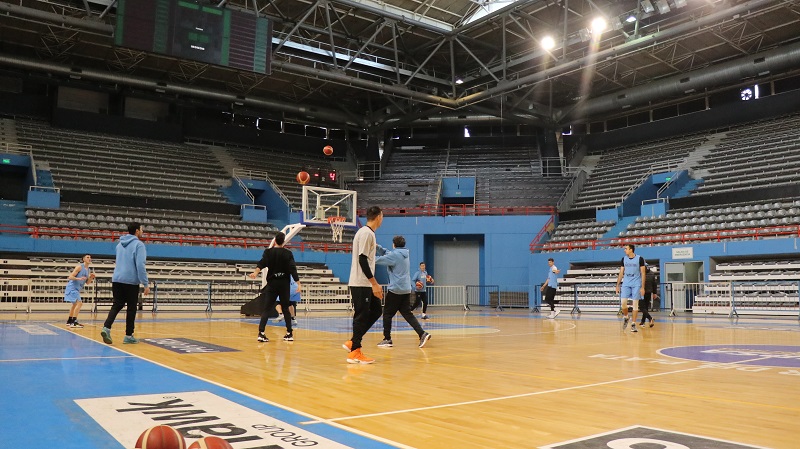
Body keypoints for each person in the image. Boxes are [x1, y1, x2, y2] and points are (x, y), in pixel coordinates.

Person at [342, 206, 384, 364]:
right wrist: (374, 283)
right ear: (379, 217)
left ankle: (353, 341)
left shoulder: (365, 232)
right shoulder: (366, 233)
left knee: (377, 310)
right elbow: (362, 259)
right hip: (361, 282)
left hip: (364, 283)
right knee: (361, 315)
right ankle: (355, 352)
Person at [375, 235, 431, 349]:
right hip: (406, 289)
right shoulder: (404, 253)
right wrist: (376, 247)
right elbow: (387, 253)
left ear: (394, 244)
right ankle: (422, 333)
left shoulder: (394, 256)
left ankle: (387, 339)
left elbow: (378, 260)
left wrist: (366, 255)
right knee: (407, 314)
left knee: (387, 314)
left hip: (396, 290)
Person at [101, 222, 150, 345]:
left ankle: (106, 327)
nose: (143, 231)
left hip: (117, 279)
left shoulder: (119, 245)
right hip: (130, 281)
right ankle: (128, 335)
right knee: (131, 308)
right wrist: (145, 283)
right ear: (137, 231)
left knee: (117, 304)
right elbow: (140, 265)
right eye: (142, 229)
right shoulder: (139, 245)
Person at [249, 232, 301, 342]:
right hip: (284, 284)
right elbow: (293, 269)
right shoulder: (288, 253)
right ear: (284, 242)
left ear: (275, 241)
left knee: (267, 308)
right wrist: (298, 283)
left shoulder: (268, 252)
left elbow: (261, 263)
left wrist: (255, 272)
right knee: (286, 308)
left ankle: (261, 333)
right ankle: (289, 333)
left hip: (272, 283)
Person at [615, 244, 646, 333]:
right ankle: (626, 317)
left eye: (626, 249)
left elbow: (643, 273)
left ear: (631, 250)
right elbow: (621, 273)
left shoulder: (640, 259)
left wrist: (642, 287)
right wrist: (617, 285)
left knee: (635, 304)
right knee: (623, 303)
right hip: (626, 282)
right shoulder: (623, 259)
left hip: (636, 282)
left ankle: (633, 324)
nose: (624, 250)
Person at [64, 254, 95, 328]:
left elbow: (87, 283)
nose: (89, 258)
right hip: (72, 288)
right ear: (83, 259)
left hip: (77, 289)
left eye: (90, 257)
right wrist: (79, 278)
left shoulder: (89, 270)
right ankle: (74, 322)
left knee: (75, 305)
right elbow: (70, 277)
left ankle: (69, 321)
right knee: (79, 303)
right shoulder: (79, 267)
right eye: (87, 257)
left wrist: (91, 278)